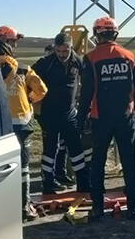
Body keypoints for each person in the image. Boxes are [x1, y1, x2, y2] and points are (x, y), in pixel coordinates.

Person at [0, 25, 47, 221]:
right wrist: (28, 99)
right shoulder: (22, 67)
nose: (14, 45)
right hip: (21, 123)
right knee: (23, 166)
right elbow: (42, 90)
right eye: (13, 42)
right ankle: (24, 206)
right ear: (5, 42)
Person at [77, 16, 135, 221]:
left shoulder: (91, 59)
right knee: (129, 161)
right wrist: (129, 98)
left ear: (96, 34)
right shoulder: (129, 56)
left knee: (98, 162)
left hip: (101, 118)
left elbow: (87, 93)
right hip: (125, 117)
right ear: (115, 33)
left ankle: (98, 206)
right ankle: (133, 206)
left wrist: (80, 120)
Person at [33, 33, 91, 195]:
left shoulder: (78, 61)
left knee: (76, 149)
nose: (61, 55)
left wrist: (84, 107)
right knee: (50, 150)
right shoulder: (46, 63)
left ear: (71, 48)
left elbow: (88, 83)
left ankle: (83, 183)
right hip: (49, 115)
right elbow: (29, 79)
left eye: (65, 51)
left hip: (70, 115)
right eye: (58, 51)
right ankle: (48, 184)